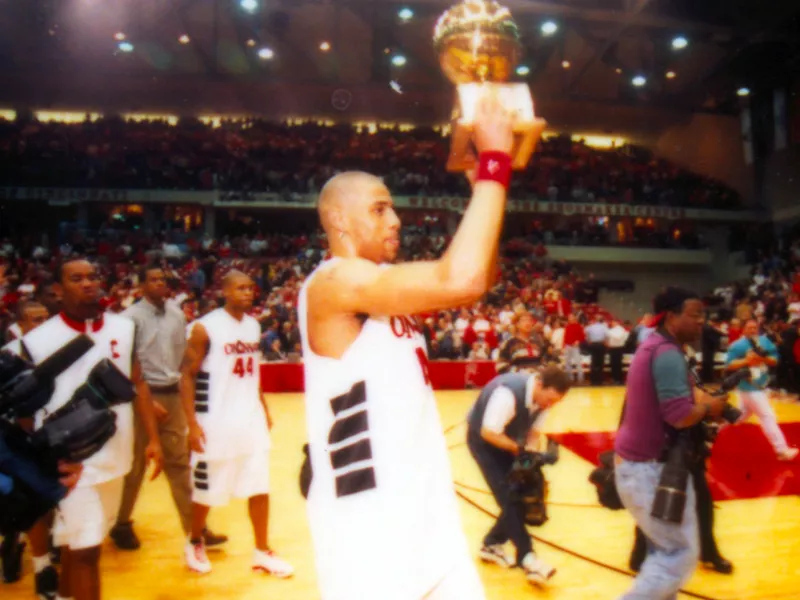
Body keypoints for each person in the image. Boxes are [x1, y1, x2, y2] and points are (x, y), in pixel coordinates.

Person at [298, 93, 515, 600]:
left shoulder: (383, 284)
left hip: (422, 502)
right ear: (339, 220)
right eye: (379, 209)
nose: (396, 220)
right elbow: (460, 278)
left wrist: (482, 192)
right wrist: (495, 165)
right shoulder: (334, 283)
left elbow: (478, 276)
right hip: (368, 520)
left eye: (393, 207)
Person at [20, 258, 164, 600]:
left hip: (117, 452)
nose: (87, 283)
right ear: (58, 289)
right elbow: (24, 409)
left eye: (92, 276)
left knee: (76, 545)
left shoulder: (124, 329)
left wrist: (154, 439)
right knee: (87, 551)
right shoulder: (39, 339)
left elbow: (138, 383)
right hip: (69, 463)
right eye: (76, 278)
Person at [614, 287, 728, 600]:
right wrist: (711, 408)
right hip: (648, 469)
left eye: (703, 315)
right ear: (672, 317)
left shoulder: (655, 345)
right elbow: (679, 415)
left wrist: (701, 403)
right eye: (694, 315)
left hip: (639, 464)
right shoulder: (666, 353)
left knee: (660, 550)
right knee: (677, 554)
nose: (701, 322)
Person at [180, 270, 292, 577]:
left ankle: (262, 550)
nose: (247, 293)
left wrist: (264, 408)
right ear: (224, 291)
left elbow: (252, 373)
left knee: (259, 485)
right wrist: (192, 424)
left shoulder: (254, 325)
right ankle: (194, 541)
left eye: (250, 288)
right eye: (239, 288)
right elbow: (186, 376)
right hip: (214, 420)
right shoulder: (205, 328)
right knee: (207, 489)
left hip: (249, 419)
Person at [111, 266, 227, 551]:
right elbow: (121, 367)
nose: (160, 283)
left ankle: (195, 529)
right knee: (135, 465)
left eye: (163, 279)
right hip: (139, 397)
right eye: (153, 279)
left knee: (179, 464)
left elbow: (183, 360)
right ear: (140, 286)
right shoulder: (128, 319)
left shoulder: (176, 314)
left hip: (171, 393)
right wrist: (146, 401)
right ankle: (121, 523)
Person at [466, 366, 571, 585]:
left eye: (554, 402)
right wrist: (520, 451)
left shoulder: (545, 399)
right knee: (509, 497)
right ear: (540, 384)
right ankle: (527, 557)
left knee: (525, 493)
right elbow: (489, 432)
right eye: (549, 399)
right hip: (485, 443)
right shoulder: (507, 394)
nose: (549, 405)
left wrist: (529, 459)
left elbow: (533, 432)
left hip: (510, 442)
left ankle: (492, 543)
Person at [1, 301, 58, 598]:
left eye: (46, 318)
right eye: (36, 319)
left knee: (47, 504)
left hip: (52, 431)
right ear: (20, 325)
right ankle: (36, 562)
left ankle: (34, 553)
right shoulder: (11, 355)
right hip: (19, 437)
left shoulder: (59, 346)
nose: (42, 324)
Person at [725, 319, 798, 461]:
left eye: (754, 327)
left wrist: (763, 359)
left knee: (741, 415)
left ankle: (715, 431)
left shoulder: (764, 342)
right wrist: (747, 361)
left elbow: (775, 360)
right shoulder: (737, 346)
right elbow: (729, 364)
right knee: (767, 416)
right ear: (743, 329)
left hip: (760, 384)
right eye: (749, 327)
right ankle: (781, 450)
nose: (752, 330)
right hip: (748, 386)